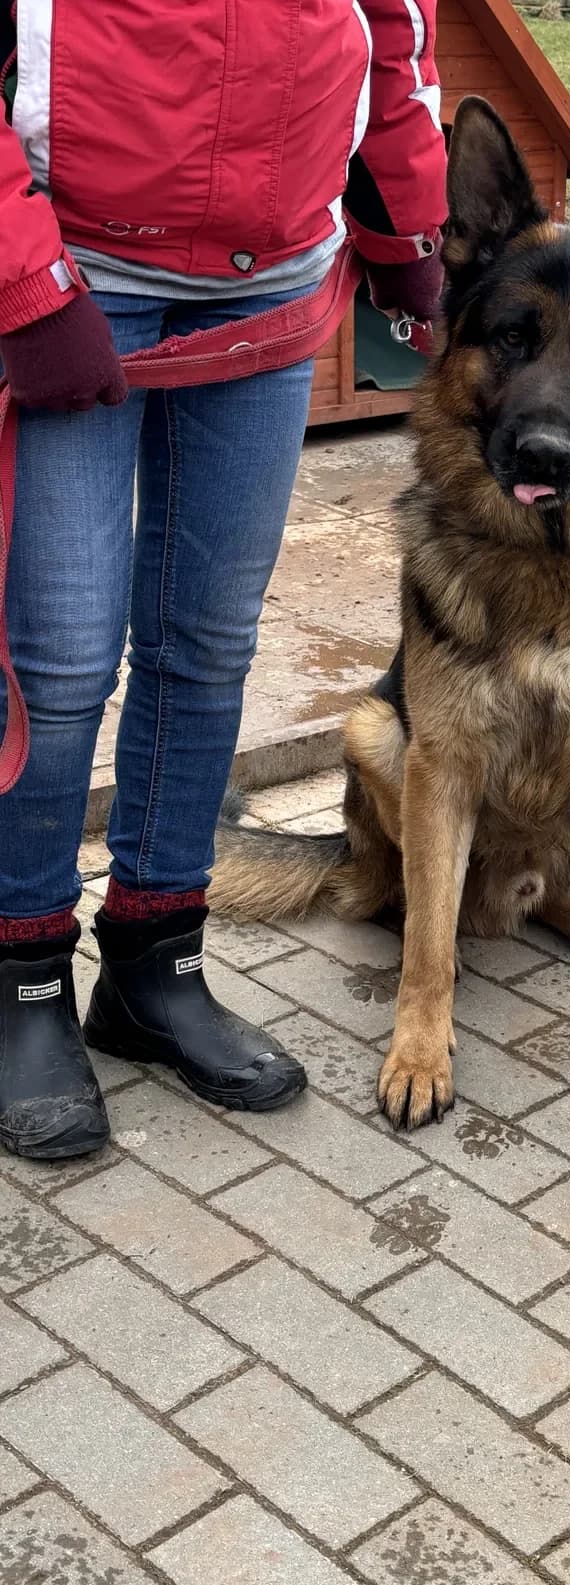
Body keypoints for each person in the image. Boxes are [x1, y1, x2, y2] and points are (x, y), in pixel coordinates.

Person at [0, 4, 447, 1159]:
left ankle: (155, 963)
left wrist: (408, 231)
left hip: (274, 279)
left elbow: (393, 32)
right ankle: (24, 980)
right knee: (58, 663)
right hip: (76, 258)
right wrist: (21, 283)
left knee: (205, 647)